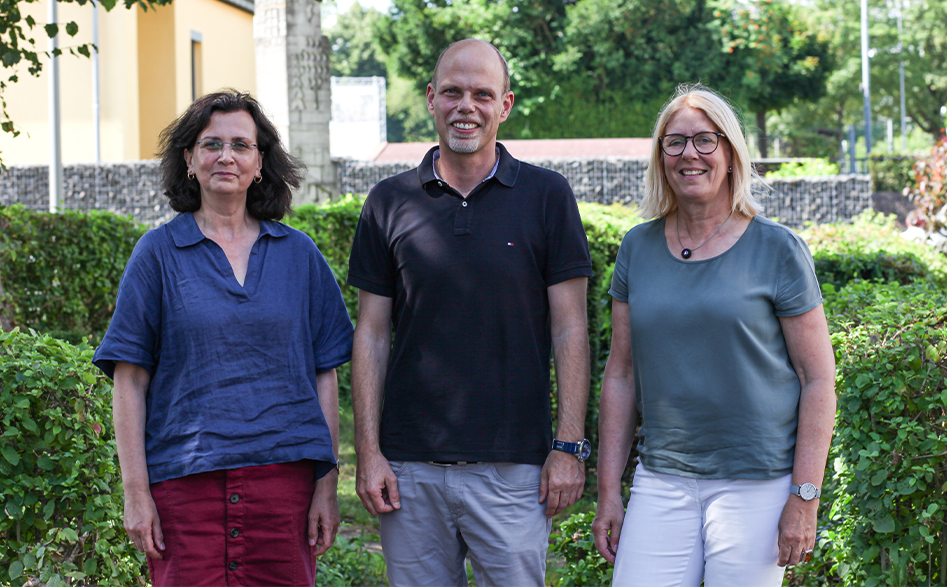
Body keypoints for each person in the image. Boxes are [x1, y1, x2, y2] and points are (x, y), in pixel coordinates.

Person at [348, 39, 593, 587]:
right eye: (453, 92)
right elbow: (371, 335)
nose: (467, 106)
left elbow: (571, 327)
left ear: (504, 106)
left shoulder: (548, 196)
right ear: (432, 99)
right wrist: (367, 453)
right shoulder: (388, 202)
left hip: (515, 470)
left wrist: (569, 446)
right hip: (408, 470)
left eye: (482, 94)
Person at [93, 91, 353, 586]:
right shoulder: (157, 255)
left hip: (286, 489)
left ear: (260, 163)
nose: (226, 156)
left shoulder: (299, 255)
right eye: (211, 144)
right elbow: (128, 381)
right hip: (184, 489)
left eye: (241, 145)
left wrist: (326, 485)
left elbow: (326, 375)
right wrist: (135, 492)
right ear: (189, 159)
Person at [591, 83, 836, 586]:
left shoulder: (778, 249)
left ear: (730, 152)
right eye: (674, 142)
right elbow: (622, 374)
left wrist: (804, 495)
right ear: (661, 157)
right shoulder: (637, 247)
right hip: (662, 479)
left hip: (758, 485)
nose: (689, 154)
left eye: (705, 140)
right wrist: (609, 492)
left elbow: (818, 379)